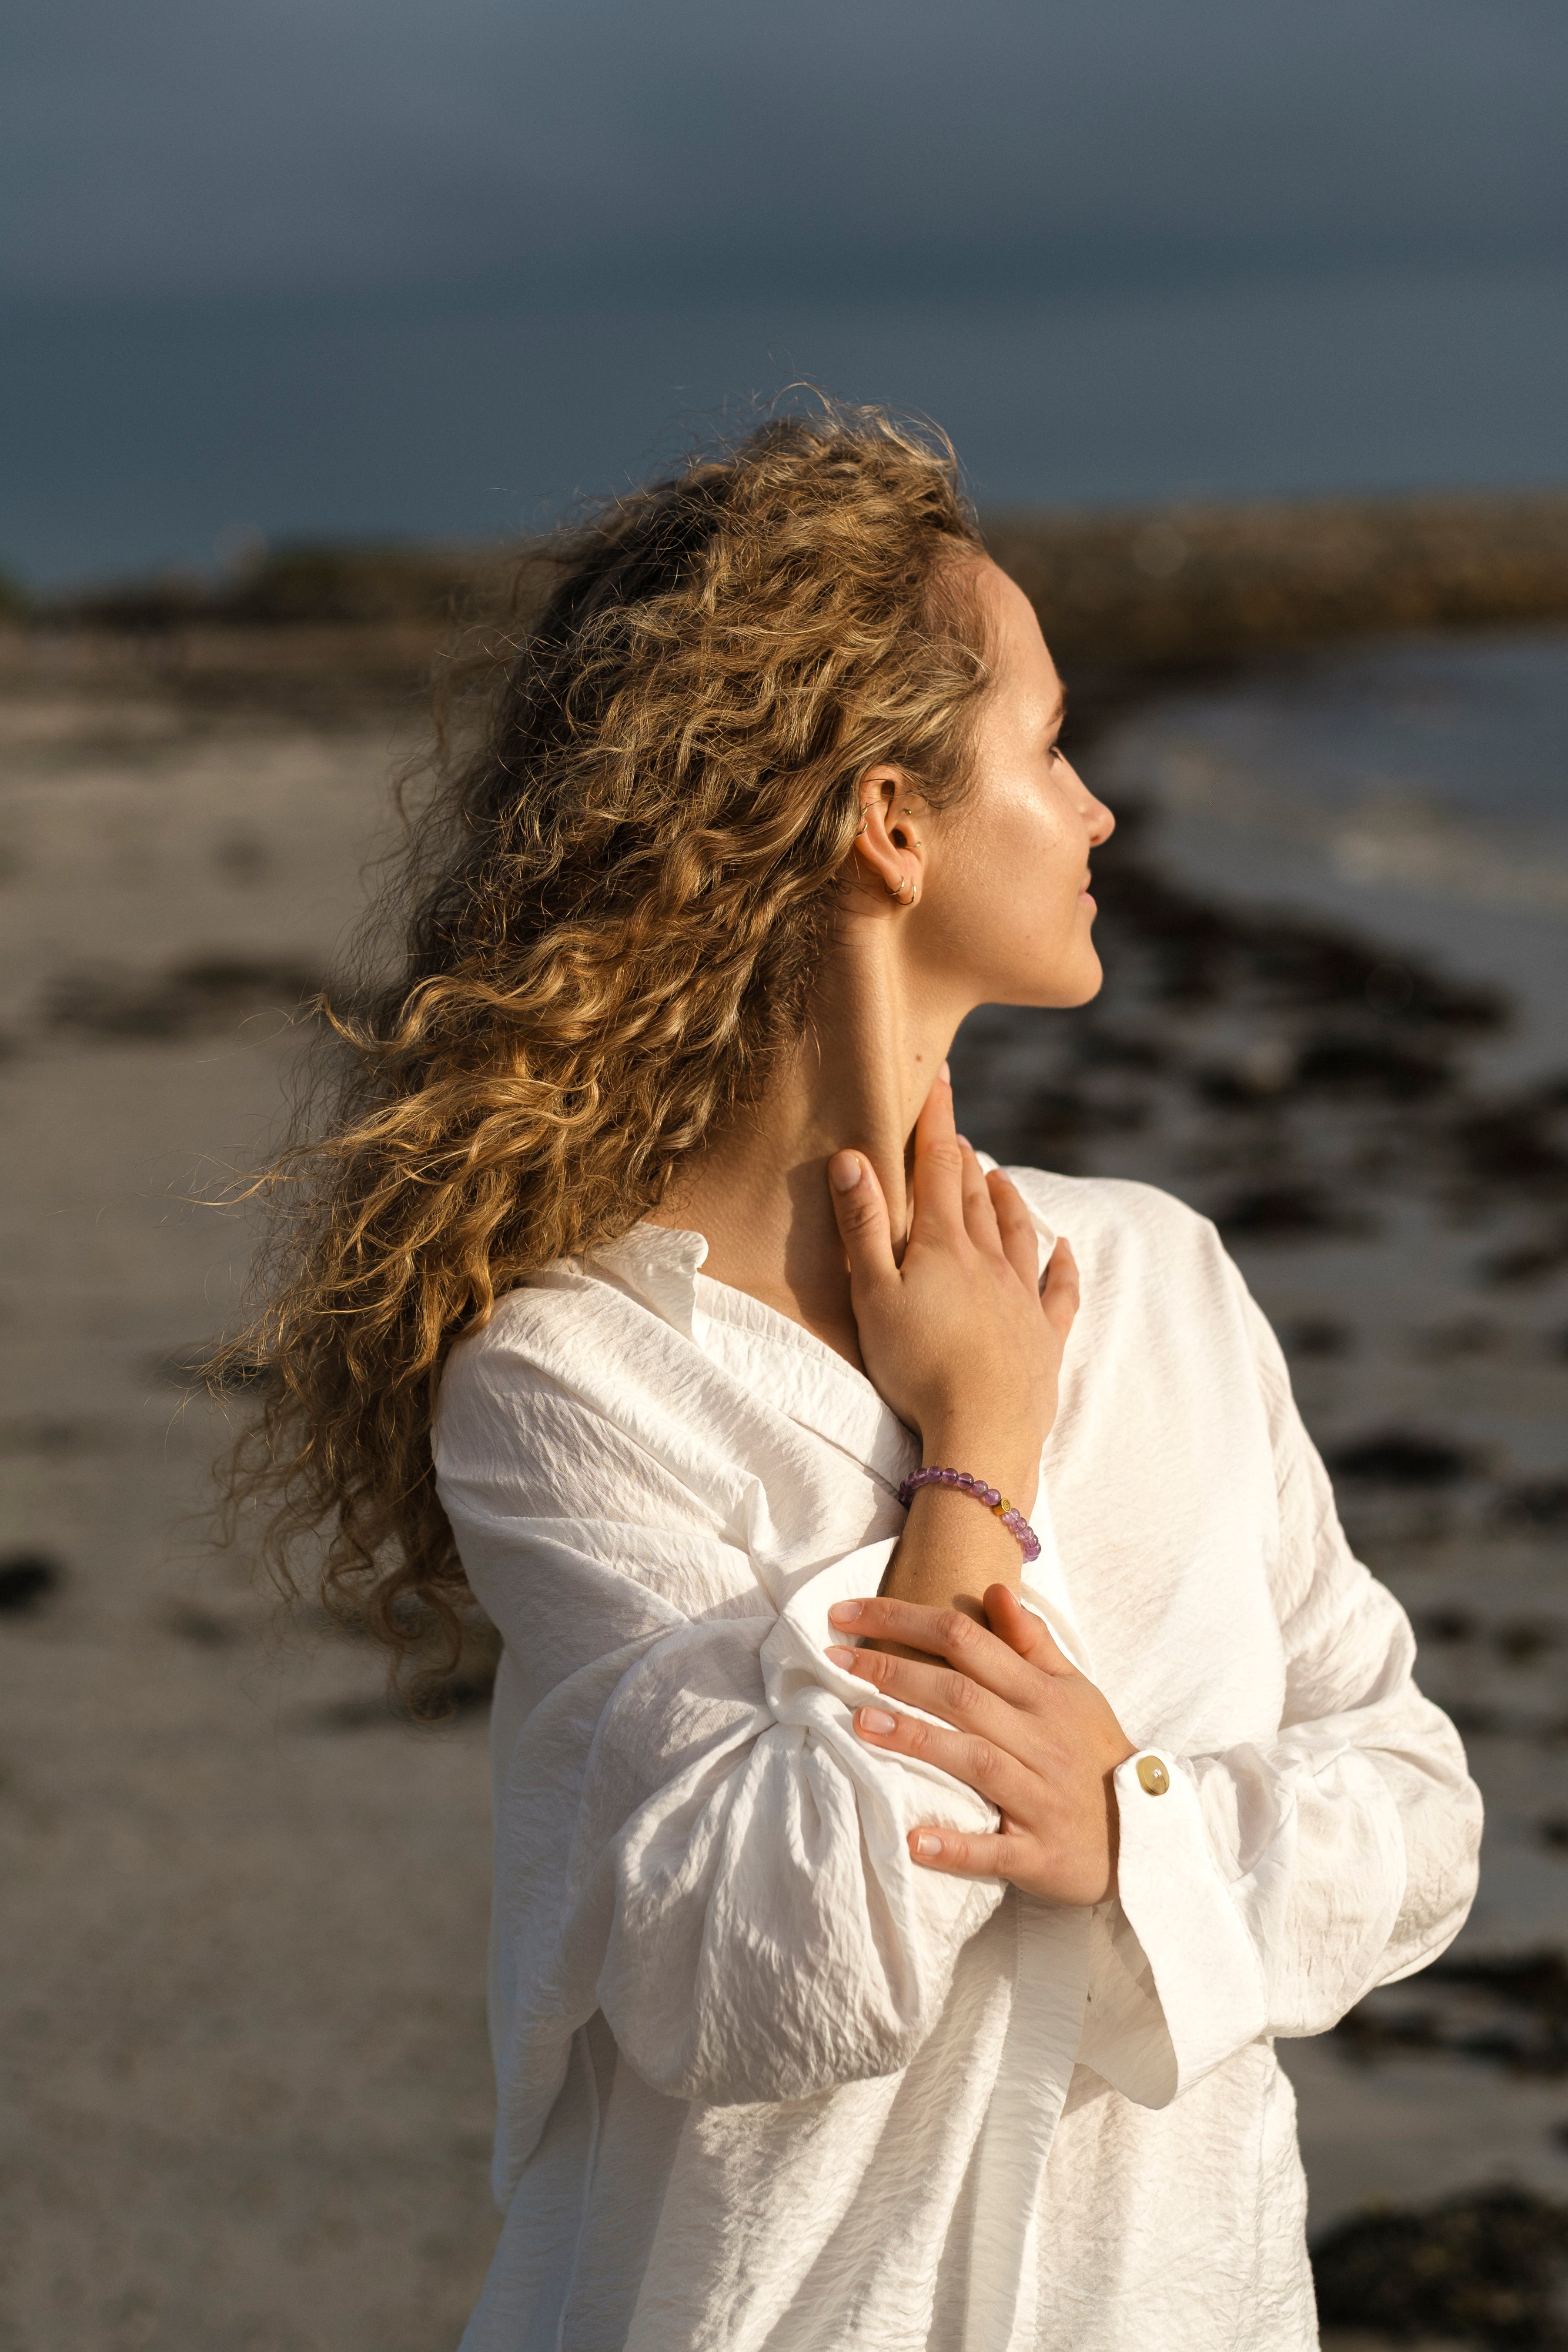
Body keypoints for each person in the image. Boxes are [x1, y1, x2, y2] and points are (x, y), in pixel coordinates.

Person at [228, 408, 1481, 2350]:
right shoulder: (577, 1379)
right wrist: (975, 1453)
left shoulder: (1154, 1278)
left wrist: (1129, 1829)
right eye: (1049, 748)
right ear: (888, 822)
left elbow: (1411, 1807)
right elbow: (766, 1977)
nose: (1097, 812)